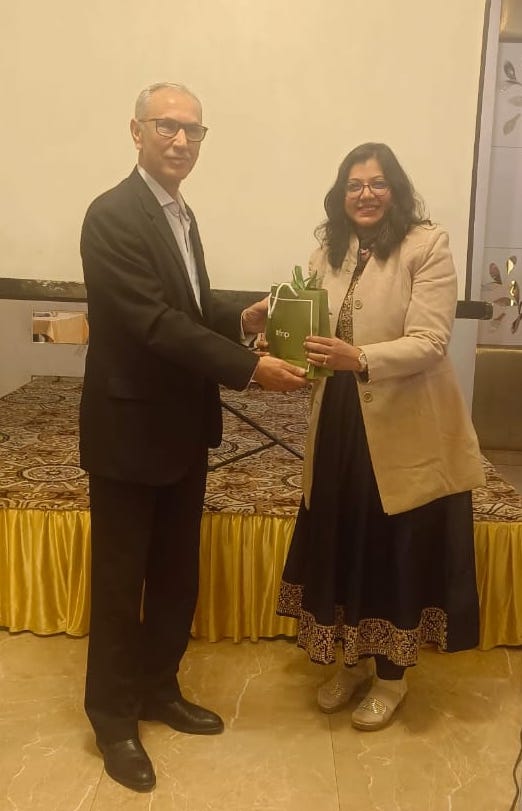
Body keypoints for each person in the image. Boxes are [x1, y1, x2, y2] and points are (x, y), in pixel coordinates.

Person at [79, 81, 306, 792]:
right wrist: (250, 367)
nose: (181, 140)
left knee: (177, 576)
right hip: (128, 432)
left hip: (181, 429)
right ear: (136, 131)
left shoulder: (181, 213)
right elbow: (151, 322)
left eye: (193, 130)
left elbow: (187, 305)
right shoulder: (112, 214)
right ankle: (113, 719)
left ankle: (158, 689)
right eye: (167, 126)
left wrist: (241, 318)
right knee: (121, 585)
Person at [275, 142, 485, 731]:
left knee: (392, 549)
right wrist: (278, 334)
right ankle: (351, 661)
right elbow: (310, 323)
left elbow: (431, 341)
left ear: (396, 190)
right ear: (340, 195)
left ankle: (392, 678)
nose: (365, 194)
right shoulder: (328, 250)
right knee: (343, 538)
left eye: (377, 183)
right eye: (354, 185)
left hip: (404, 426)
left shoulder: (426, 245)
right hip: (338, 420)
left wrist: (359, 356)